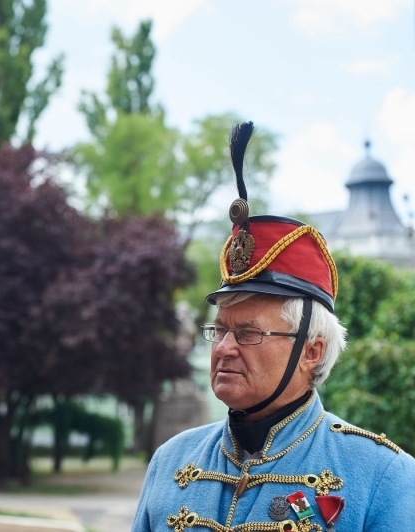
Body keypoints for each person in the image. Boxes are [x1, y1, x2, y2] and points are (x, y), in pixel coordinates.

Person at [131, 122, 415, 532]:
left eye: (247, 333)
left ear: (312, 351)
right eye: (220, 330)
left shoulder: (384, 477)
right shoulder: (170, 461)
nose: (224, 348)